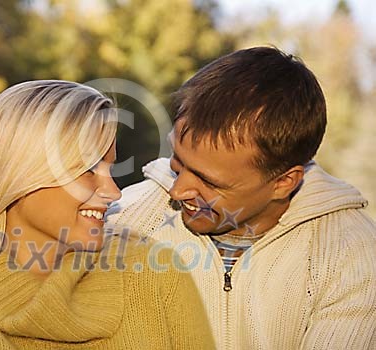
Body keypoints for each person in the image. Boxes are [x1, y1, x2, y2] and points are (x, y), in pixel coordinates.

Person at [0, 80, 214, 349]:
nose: (113, 192)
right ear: (19, 175)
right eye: (87, 170)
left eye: (109, 168)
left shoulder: (154, 268)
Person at [107, 47, 376, 349]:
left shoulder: (353, 255)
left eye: (208, 181)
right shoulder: (122, 221)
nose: (177, 191)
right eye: (178, 162)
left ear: (284, 182)